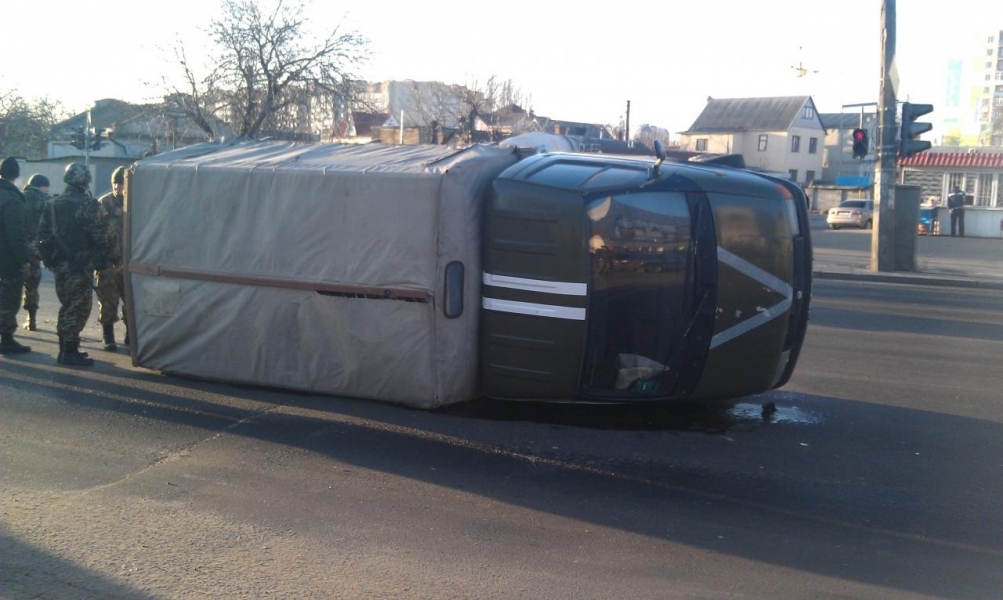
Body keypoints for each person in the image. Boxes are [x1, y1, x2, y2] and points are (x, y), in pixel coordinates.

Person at [37, 163, 117, 366]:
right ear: (85, 181)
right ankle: (69, 352)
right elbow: (104, 235)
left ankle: (65, 348)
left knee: (67, 305)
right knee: (79, 306)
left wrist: (49, 260)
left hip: (59, 263)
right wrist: (112, 258)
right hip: (80, 263)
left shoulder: (52, 204)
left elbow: (42, 236)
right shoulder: (87, 204)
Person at [0, 156, 33, 354]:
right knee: (9, 299)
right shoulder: (12, 198)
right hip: (6, 260)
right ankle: (6, 338)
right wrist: (24, 261)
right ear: (17, 174)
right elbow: (16, 235)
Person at [96, 166, 128, 350]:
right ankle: (108, 336)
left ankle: (130, 335)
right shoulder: (103, 203)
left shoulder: (134, 202)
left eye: (121, 183)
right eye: (116, 183)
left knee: (130, 301)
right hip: (107, 262)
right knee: (108, 300)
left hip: (128, 261)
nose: (118, 187)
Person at [21, 174, 51, 331]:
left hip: (17, 250)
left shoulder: (19, 197)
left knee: (10, 286)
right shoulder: (44, 199)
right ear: (42, 186)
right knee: (32, 286)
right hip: (35, 251)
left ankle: (6, 322)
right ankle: (31, 319)